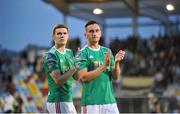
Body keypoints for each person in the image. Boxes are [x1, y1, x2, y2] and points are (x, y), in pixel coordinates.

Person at [75, 20, 125, 113]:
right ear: (85, 34)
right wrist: (104, 66)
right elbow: (84, 77)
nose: (94, 33)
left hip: (110, 102)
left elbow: (115, 76)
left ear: (100, 33)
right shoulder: (82, 53)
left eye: (97, 31)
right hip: (91, 104)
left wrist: (117, 63)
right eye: (91, 31)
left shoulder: (107, 51)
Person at [42, 24, 77, 113]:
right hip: (58, 100)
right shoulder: (50, 55)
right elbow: (58, 80)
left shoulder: (69, 52)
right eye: (59, 33)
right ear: (53, 37)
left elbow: (76, 76)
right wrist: (74, 68)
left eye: (65, 33)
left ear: (68, 36)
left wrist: (82, 63)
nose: (62, 35)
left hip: (69, 100)